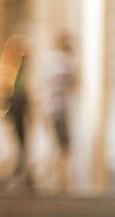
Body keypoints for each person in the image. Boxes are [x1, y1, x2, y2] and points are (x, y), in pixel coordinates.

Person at [0, 33, 32, 189]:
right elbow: (6, 90)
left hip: (18, 107)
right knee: (20, 143)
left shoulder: (17, 67)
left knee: (22, 144)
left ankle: (23, 173)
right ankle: (19, 173)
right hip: (15, 107)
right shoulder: (10, 67)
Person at [41, 32, 76, 191]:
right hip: (60, 110)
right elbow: (73, 83)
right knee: (64, 148)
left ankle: (57, 181)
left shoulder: (49, 61)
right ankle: (62, 182)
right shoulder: (63, 62)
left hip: (50, 109)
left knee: (58, 147)